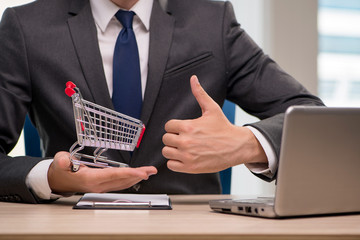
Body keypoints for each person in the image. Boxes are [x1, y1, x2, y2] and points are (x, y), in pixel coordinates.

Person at [0, 0, 324, 203]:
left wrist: (248, 144)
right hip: (70, 226)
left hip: (191, 230)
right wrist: (49, 178)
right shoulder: (26, 27)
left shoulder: (213, 22)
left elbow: (312, 119)